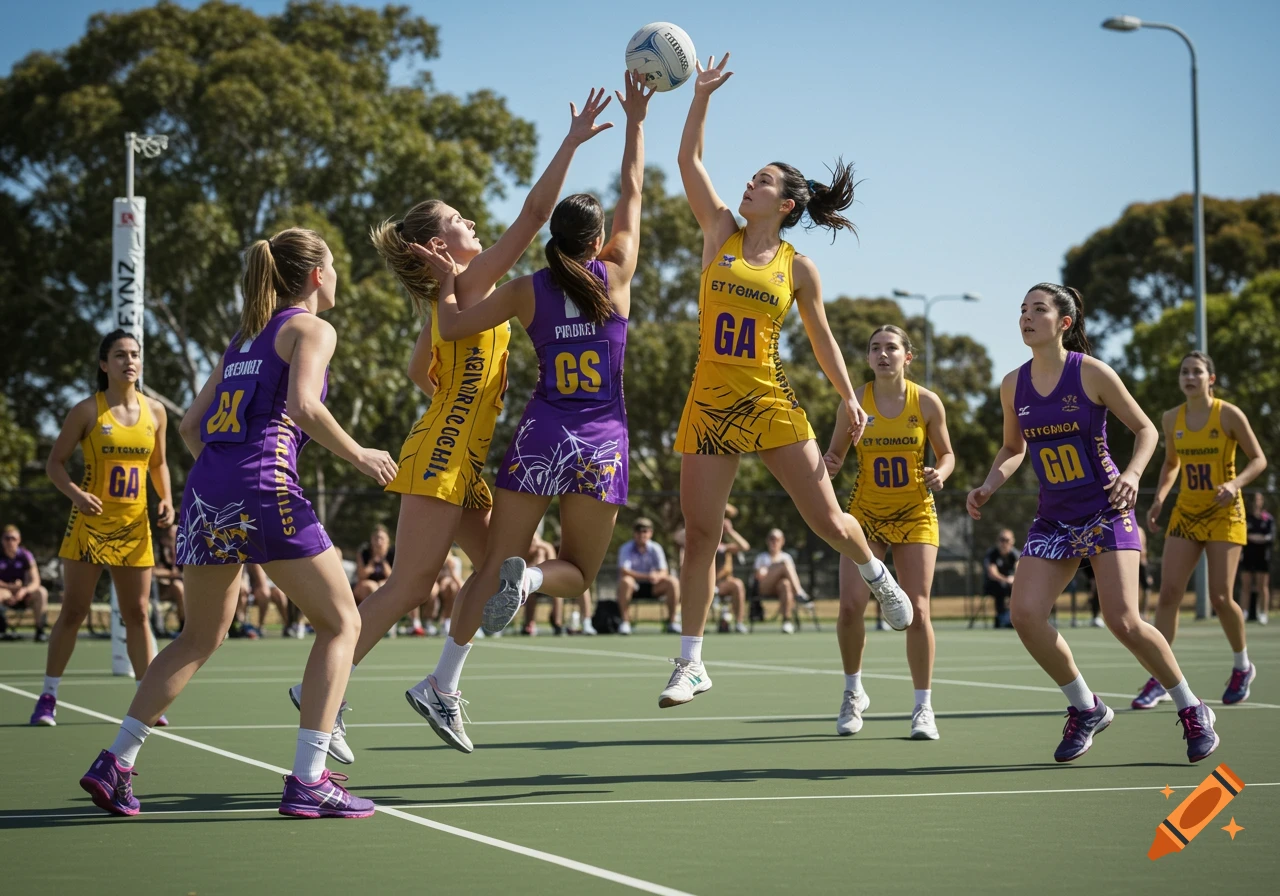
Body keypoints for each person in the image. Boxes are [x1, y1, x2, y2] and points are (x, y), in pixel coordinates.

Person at [288, 88, 613, 763]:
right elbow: (532, 215)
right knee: (410, 584)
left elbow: (418, 369)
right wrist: (574, 141)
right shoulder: (468, 281)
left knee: (498, 568)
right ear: (444, 244)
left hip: (457, 453)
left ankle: (442, 684)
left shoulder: (451, 295)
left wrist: (464, 398)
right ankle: (319, 690)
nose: (474, 225)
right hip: (443, 455)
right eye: (462, 220)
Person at [77, 227, 398, 818]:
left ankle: (116, 760)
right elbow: (303, 406)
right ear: (315, 276)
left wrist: (225, 476)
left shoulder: (243, 338)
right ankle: (309, 779)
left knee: (198, 636)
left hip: (209, 490)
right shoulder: (311, 328)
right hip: (263, 486)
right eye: (334, 267)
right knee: (342, 623)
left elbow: (191, 427)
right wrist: (360, 454)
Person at [403, 73, 651, 752]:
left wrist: (446, 277)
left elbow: (450, 330)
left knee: (489, 567)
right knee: (575, 576)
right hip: (599, 441)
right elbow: (633, 190)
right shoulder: (619, 273)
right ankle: (534, 580)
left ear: (556, 240)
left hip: (542, 434)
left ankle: (442, 681)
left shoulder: (525, 291)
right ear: (597, 244)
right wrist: (636, 120)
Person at [658, 53, 910, 709]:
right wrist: (700, 97)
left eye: (762, 181)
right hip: (709, 401)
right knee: (700, 534)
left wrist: (849, 398)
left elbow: (822, 339)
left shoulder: (798, 269)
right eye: (750, 178)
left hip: (770, 402)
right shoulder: (720, 232)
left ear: (787, 203)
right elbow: (689, 163)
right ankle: (690, 663)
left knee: (828, 518)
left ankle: (875, 573)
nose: (749, 185)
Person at [967, 282, 1218, 764]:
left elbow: (1146, 430)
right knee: (1024, 614)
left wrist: (1132, 474)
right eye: (1022, 309)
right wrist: (988, 484)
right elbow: (1014, 448)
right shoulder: (1012, 384)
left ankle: (1192, 708)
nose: (1026, 317)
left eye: (1038, 309)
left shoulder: (1091, 373)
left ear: (1064, 323)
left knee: (1123, 621)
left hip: (1106, 510)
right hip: (1054, 518)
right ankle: (1086, 707)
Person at [35, 330, 174, 727]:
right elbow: (54, 464)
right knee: (74, 611)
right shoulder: (87, 411)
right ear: (104, 364)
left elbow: (159, 464)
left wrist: (165, 499)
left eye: (135, 354)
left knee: (138, 614)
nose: (129, 361)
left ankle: (147, 702)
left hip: (135, 526)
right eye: (119, 355)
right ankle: (48, 695)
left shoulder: (156, 412)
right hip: (90, 526)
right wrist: (76, 495)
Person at [825, 325, 956, 738]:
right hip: (865, 517)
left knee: (917, 609)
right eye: (875, 348)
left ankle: (923, 707)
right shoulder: (853, 403)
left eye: (892, 348)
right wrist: (823, 466)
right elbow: (835, 455)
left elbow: (948, 454)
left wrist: (942, 472)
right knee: (849, 608)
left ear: (907, 356)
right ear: (867, 358)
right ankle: (853, 692)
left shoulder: (927, 403)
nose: (883, 354)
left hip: (915, 513)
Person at [1135, 351, 1266, 709]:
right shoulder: (1170, 419)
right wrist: (1161, 497)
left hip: (1225, 513)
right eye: (1184, 372)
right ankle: (1161, 678)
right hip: (1187, 513)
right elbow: (1171, 463)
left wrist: (1235, 484)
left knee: (1221, 597)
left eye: (1196, 371)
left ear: (1211, 378)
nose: (1189, 377)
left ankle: (1242, 666)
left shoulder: (1228, 414)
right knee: (1168, 594)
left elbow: (1258, 459)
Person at [617, 519, 680, 635]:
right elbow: (624, 571)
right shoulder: (626, 548)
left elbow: (664, 571)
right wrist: (647, 576)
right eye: (638, 531)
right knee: (626, 581)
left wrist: (657, 576)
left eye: (645, 531)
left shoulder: (656, 548)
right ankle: (625, 622)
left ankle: (672, 622)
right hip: (634, 587)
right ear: (634, 533)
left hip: (654, 587)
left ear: (650, 533)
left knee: (673, 581)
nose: (642, 534)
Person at [751, 529, 806, 634]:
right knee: (784, 565)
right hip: (765, 586)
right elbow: (759, 576)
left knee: (785, 584)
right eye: (772, 539)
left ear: (782, 541)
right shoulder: (762, 557)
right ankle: (799, 593)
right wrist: (773, 567)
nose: (774, 542)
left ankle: (786, 621)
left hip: (781, 588)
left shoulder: (786, 556)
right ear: (767, 541)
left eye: (777, 539)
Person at [1, 526, 49, 642]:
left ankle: (40, 630)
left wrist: (24, 590)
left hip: (24, 595)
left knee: (41, 592)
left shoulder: (25, 556)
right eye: (7, 538)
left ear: (19, 540)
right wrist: (9, 587)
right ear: (2, 540)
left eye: (13, 538)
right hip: (4, 592)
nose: (10, 542)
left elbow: (36, 581)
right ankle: (1, 629)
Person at [1241, 492, 1272, 624]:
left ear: (1262, 501)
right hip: (1248, 555)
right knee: (1246, 585)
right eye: (1254, 499)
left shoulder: (1268, 519)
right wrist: (1257, 537)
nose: (1256, 502)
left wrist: (1254, 537)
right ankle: (1244, 613)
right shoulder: (1246, 518)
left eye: (1259, 499)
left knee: (1262, 586)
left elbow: (1269, 537)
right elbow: (1243, 536)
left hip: (1263, 556)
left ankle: (1263, 613)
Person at [983, 530, 1020, 629]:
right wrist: (1005, 580)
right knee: (1001, 586)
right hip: (994, 585)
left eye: (1007, 540)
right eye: (1002, 540)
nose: (1004, 543)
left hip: (1011, 585)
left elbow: (1019, 571)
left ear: (1012, 541)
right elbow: (992, 573)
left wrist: (1013, 580)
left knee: (1018, 588)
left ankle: (1014, 616)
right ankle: (1002, 617)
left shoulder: (1015, 555)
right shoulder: (992, 554)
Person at [152, 524, 184, 633]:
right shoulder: (157, 549)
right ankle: (183, 626)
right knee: (178, 587)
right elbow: (152, 571)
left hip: (184, 585)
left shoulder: (181, 548)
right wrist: (171, 574)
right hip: (159, 588)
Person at [353, 524, 394, 606]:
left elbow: (393, 578)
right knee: (370, 587)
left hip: (383, 585)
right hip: (364, 585)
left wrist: (383, 561)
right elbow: (361, 576)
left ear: (387, 541)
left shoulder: (392, 554)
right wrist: (371, 563)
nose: (378, 542)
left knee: (383, 586)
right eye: (376, 538)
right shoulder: (364, 552)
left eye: (381, 539)